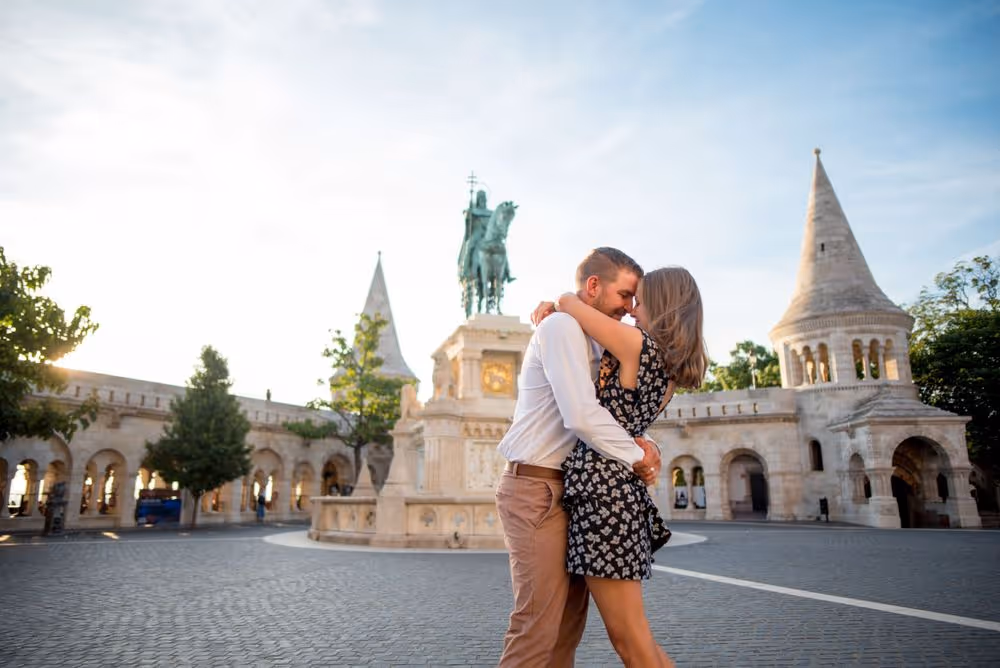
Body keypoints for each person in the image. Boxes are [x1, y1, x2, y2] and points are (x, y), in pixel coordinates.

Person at [495, 247, 662, 668]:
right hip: (537, 487)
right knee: (536, 627)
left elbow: (616, 408)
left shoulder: (596, 337)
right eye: (625, 295)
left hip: (572, 492)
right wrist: (636, 458)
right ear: (593, 286)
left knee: (566, 631)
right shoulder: (561, 328)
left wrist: (646, 441)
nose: (630, 308)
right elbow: (582, 415)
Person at [545, 265, 708, 667]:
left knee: (631, 643)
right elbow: (628, 423)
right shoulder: (668, 364)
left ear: (665, 306)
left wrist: (557, 303)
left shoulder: (638, 345)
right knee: (634, 641)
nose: (634, 310)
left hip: (603, 495)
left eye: (642, 300)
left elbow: (570, 302)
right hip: (618, 494)